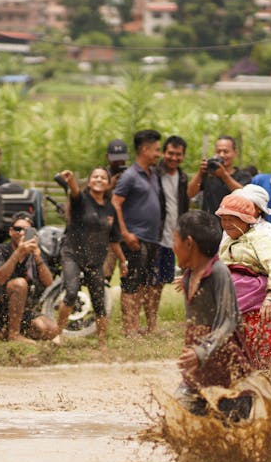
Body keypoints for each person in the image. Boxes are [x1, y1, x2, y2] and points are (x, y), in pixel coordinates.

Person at [173, 210, 252, 417]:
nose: (173, 248)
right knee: (180, 415)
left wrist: (202, 351)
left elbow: (229, 320)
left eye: (175, 241)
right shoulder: (189, 275)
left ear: (189, 243)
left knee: (228, 426)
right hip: (200, 370)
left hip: (226, 370)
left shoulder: (219, 272)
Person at [215, 194, 271, 369]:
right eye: (224, 219)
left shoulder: (261, 237)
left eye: (232, 219)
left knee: (265, 353)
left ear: (247, 220)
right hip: (232, 303)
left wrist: (270, 297)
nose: (227, 224)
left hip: (257, 304)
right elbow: (217, 264)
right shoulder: (229, 240)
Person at [55, 167, 125, 347]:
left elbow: (114, 239)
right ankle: (58, 333)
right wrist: (71, 179)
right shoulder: (81, 200)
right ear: (90, 180)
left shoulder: (110, 209)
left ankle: (102, 342)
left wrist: (123, 261)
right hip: (73, 254)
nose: (99, 179)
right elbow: (75, 191)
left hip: (95, 260)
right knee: (71, 292)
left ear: (109, 183)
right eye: (95, 176)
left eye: (103, 177)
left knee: (99, 300)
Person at [0, 212, 59, 342]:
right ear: (11, 232)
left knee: (52, 329)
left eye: (26, 230)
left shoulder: (35, 252)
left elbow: (48, 282)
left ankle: (7, 331)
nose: (22, 233)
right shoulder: (1, 250)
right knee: (19, 284)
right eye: (18, 229)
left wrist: (37, 257)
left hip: (19, 309)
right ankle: (14, 335)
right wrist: (18, 253)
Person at [112, 129, 163, 338]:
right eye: (156, 150)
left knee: (142, 283)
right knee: (131, 284)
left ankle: (136, 326)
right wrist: (124, 233)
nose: (158, 154)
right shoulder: (129, 176)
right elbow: (115, 203)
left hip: (151, 238)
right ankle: (129, 329)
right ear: (144, 149)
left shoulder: (152, 174)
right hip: (135, 238)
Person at [144, 135, 190, 335]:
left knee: (161, 282)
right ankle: (148, 324)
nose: (174, 157)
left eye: (178, 154)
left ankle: (152, 324)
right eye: (170, 153)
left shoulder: (183, 177)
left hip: (173, 238)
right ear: (163, 152)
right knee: (149, 282)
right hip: (154, 236)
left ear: (183, 156)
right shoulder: (153, 174)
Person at [188, 135, 251, 216]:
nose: (221, 155)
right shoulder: (208, 174)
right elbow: (189, 194)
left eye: (226, 151)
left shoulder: (243, 176)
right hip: (209, 224)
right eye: (218, 151)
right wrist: (200, 173)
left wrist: (224, 176)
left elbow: (245, 196)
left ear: (234, 153)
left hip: (233, 224)